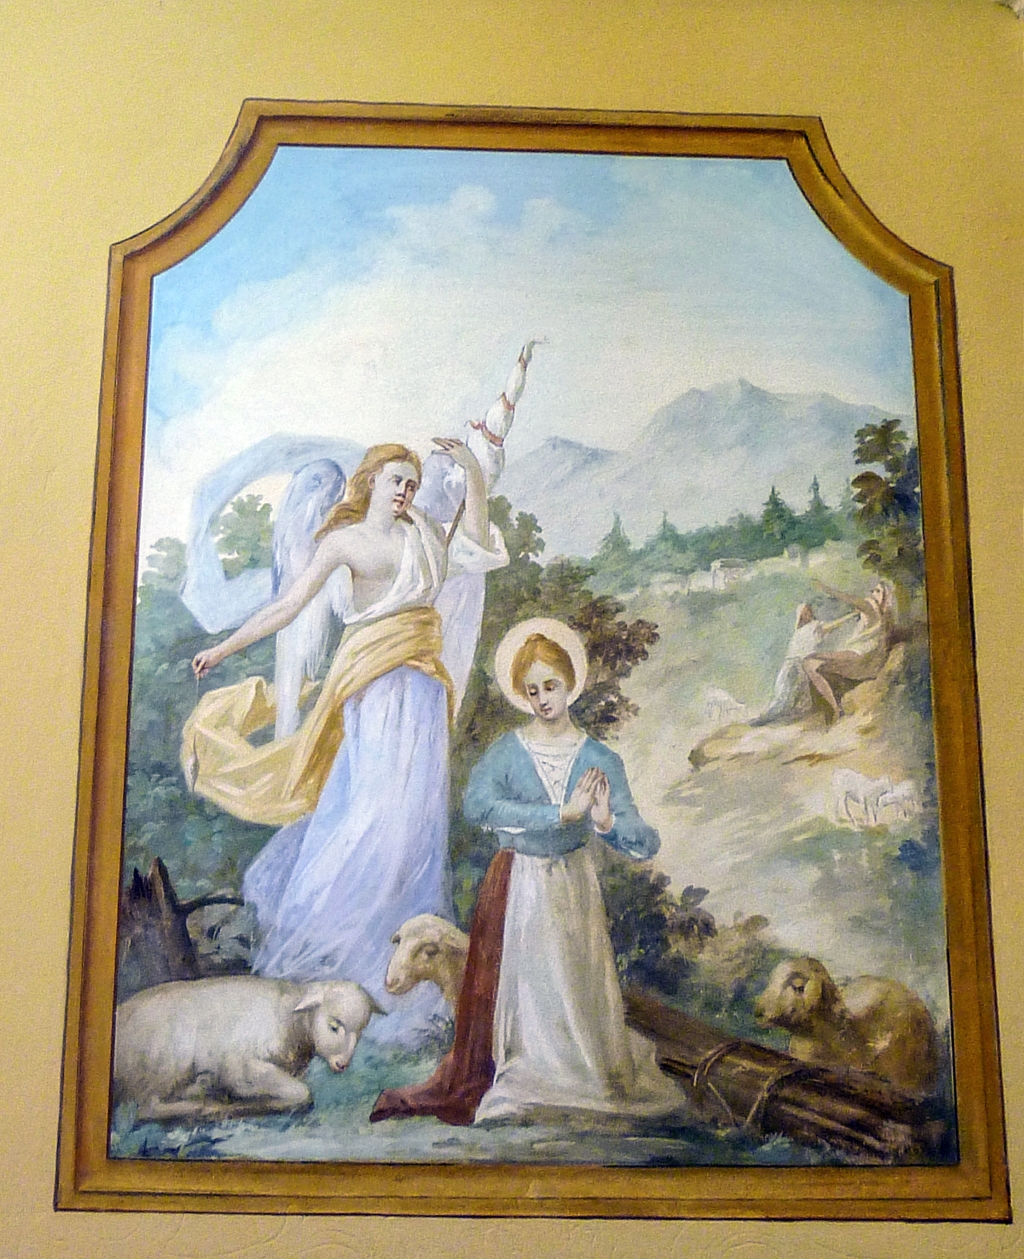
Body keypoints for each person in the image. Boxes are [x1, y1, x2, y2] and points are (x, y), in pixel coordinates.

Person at [185, 438, 507, 1045]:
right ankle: (331, 959)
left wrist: (472, 470)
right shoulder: (344, 542)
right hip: (375, 695)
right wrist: (224, 648)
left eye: (412, 483)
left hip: (422, 698)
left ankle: (401, 977)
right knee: (369, 822)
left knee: (414, 831)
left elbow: (477, 542)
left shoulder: (424, 535)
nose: (405, 491)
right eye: (396, 480)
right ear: (371, 480)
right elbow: (287, 606)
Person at [370, 618, 683, 1123]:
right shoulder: (508, 751)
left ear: (570, 684)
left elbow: (644, 841)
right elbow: (478, 806)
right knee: (531, 986)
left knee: (577, 983)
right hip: (521, 883)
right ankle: (533, 1074)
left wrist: (605, 820)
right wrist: (558, 814)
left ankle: (588, 1075)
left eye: (550, 687)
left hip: (575, 885)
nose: (542, 700)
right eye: (532, 690)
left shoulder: (598, 758)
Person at [801, 578, 896, 724]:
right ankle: (835, 708)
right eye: (873, 591)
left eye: (878, 591)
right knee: (810, 664)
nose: (873, 594)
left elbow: (851, 599)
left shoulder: (872, 609)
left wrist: (825, 588)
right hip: (859, 657)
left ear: (885, 596)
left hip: (859, 656)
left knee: (809, 661)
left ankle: (835, 709)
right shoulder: (876, 614)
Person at [750, 601, 857, 726]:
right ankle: (765, 717)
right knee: (781, 693)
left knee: (790, 696)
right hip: (789, 664)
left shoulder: (815, 626)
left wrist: (852, 615)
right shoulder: (798, 632)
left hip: (800, 663)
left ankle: (769, 718)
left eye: (809, 611)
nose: (808, 613)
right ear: (800, 615)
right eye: (805, 612)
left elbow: (833, 625)